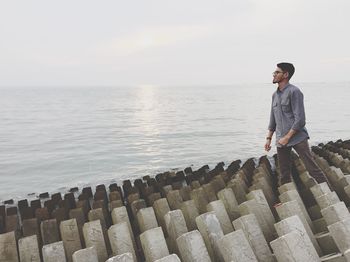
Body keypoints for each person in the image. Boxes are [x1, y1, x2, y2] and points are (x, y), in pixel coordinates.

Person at [264, 62, 328, 185]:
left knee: (313, 169)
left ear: (286, 74)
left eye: (277, 72)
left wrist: (287, 137)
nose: (274, 74)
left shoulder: (294, 92)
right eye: (274, 72)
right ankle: (288, 202)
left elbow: (300, 120)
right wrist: (268, 138)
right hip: (280, 139)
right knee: (284, 172)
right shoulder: (274, 95)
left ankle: (331, 197)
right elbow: (273, 119)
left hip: (298, 138)